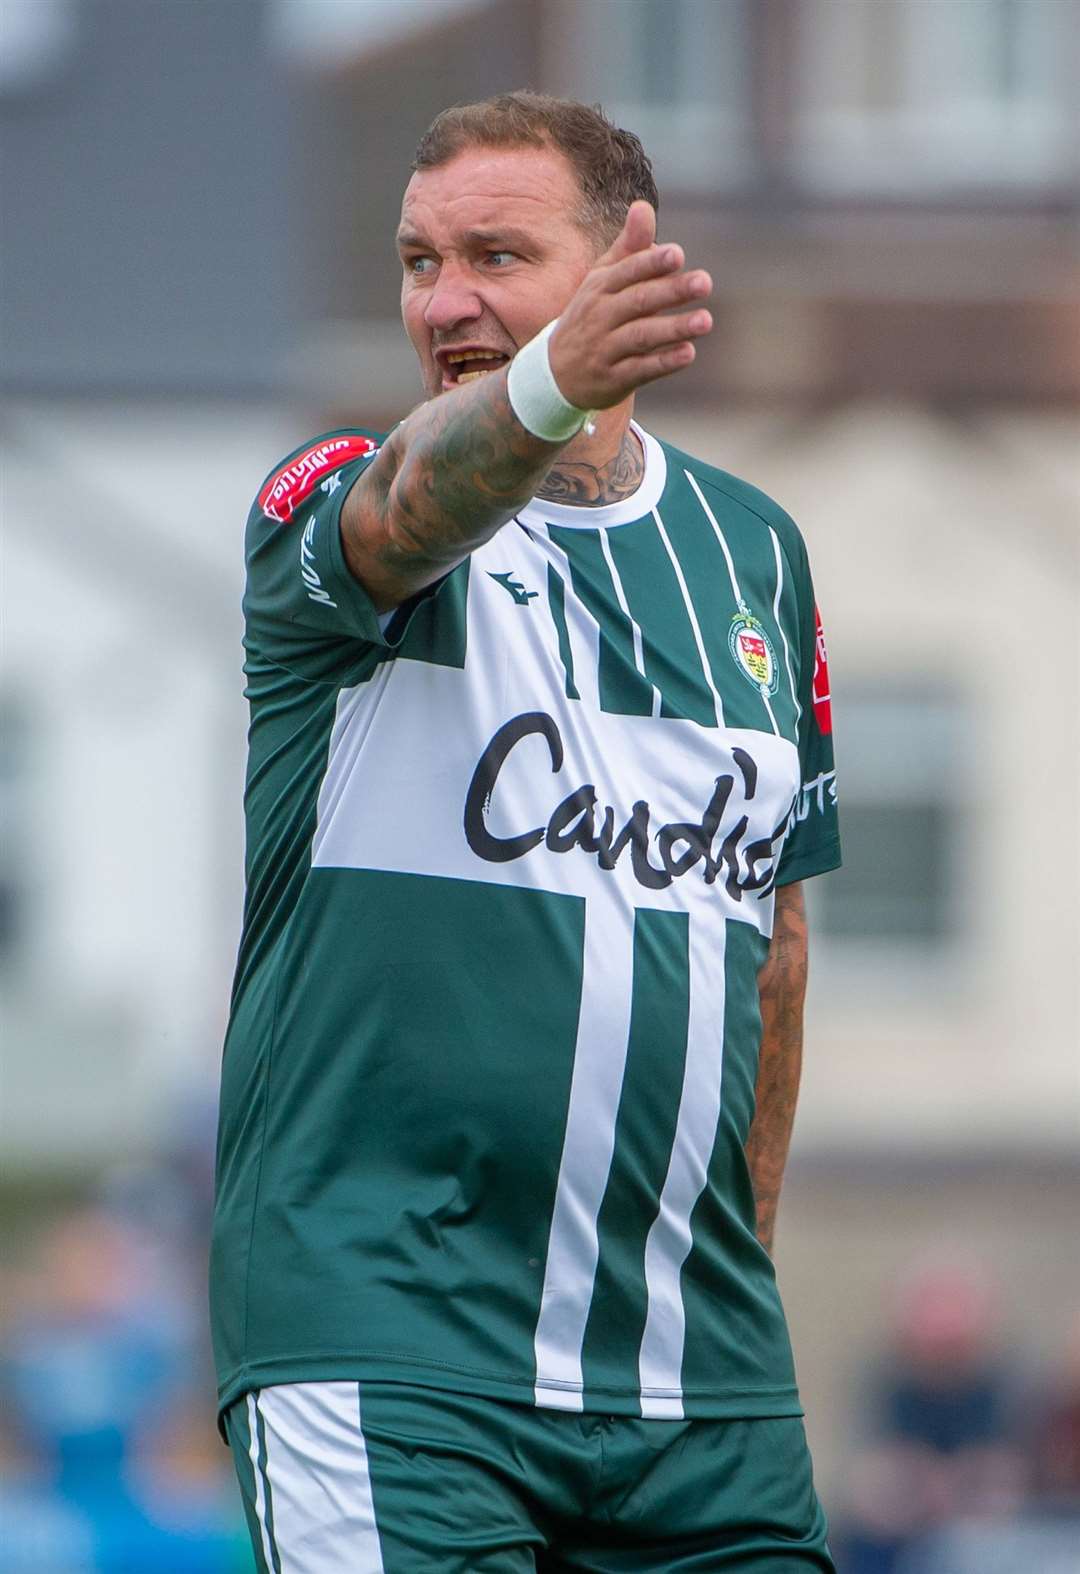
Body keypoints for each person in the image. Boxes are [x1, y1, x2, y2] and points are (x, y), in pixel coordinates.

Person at [210, 91, 841, 1571]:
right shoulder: (340, 500)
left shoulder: (755, 552)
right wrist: (545, 380)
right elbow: (411, 507)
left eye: (495, 253)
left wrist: (730, 1264)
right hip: (389, 1346)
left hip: (699, 1386)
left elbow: (776, 954)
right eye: (418, 260)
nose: (447, 300)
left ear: (623, 262)